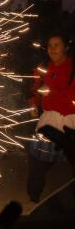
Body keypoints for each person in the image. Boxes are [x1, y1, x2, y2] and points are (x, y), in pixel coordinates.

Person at [26, 32, 75, 203]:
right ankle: (33, 200)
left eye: (57, 45)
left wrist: (51, 93)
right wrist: (33, 102)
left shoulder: (72, 68)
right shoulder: (43, 67)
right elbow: (35, 88)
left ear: (66, 48)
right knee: (36, 161)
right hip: (48, 121)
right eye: (49, 45)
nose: (52, 49)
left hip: (70, 122)